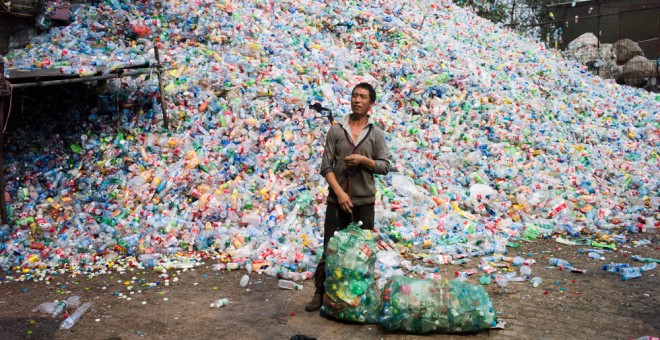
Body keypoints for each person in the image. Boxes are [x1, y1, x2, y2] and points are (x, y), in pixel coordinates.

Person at [305, 82, 390, 312]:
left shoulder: (376, 133)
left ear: (371, 103)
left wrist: (364, 161)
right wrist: (340, 193)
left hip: (364, 202)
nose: (357, 100)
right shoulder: (336, 130)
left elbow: (384, 166)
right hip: (337, 201)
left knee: (362, 251)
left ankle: (360, 297)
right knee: (330, 248)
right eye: (354, 96)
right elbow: (326, 167)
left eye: (363, 97)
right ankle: (320, 292)